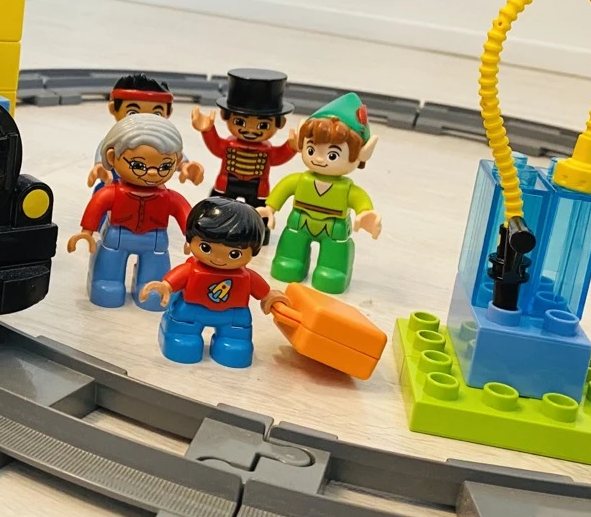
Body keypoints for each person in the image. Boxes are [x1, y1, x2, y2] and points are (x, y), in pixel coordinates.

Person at [141, 197, 290, 368]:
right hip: (191, 310)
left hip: (233, 315)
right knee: (183, 338)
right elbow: (176, 278)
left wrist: (269, 297)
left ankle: (231, 342)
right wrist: (165, 286)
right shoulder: (191, 269)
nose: (219, 259)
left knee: (236, 344)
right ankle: (181, 337)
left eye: (234, 254)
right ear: (190, 242)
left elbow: (262, 291)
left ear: (253, 252)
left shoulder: (246, 276)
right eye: (206, 248)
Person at [260, 93, 381, 293]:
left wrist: (366, 213)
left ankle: (333, 271)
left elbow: (360, 200)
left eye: (333, 155)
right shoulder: (300, 180)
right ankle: (289, 260)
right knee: (291, 245)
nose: (319, 159)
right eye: (311, 150)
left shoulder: (347, 189)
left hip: (334, 229)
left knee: (335, 252)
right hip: (299, 222)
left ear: (361, 154)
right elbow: (284, 189)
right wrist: (270, 208)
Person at [68, 114, 192, 310]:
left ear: (176, 162)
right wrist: (86, 232)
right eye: (139, 165)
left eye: (164, 166)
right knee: (109, 271)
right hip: (117, 236)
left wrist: (191, 236)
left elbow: (183, 211)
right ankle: (106, 282)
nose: (153, 172)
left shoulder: (169, 197)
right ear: (112, 158)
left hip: (155, 240)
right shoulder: (112, 192)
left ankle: (151, 286)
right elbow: (97, 204)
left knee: (154, 275)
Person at [191, 68, 296, 207]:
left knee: (259, 211)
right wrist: (208, 130)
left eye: (263, 125)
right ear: (224, 115)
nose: (251, 130)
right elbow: (216, 146)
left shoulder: (267, 150)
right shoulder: (229, 144)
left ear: (281, 123)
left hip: (258, 186)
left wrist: (291, 147)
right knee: (216, 206)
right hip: (227, 181)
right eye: (240, 122)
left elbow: (278, 157)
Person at [87, 73, 204, 188]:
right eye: (132, 112)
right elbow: (104, 150)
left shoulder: (164, 140)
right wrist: (100, 166)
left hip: (154, 187)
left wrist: (185, 165)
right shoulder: (116, 139)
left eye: (157, 114)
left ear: (168, 113)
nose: (144, 119)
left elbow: (173, 153)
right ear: (113, 109)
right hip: (118, 183)